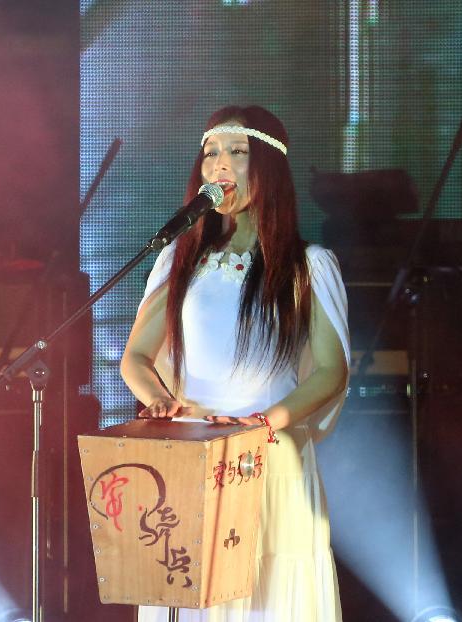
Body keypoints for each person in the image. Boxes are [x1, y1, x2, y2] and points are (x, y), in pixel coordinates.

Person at [120, 105, 350, 621]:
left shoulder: (307, 265)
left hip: (266, 455)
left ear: (267, 165)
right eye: (211, 154)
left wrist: (267, 422)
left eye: (237, 152)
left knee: (263, 597)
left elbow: (331, 372)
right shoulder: (179, 259)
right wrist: (159, 400)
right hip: (191, 456)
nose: (219, 164)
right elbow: (135, 357)